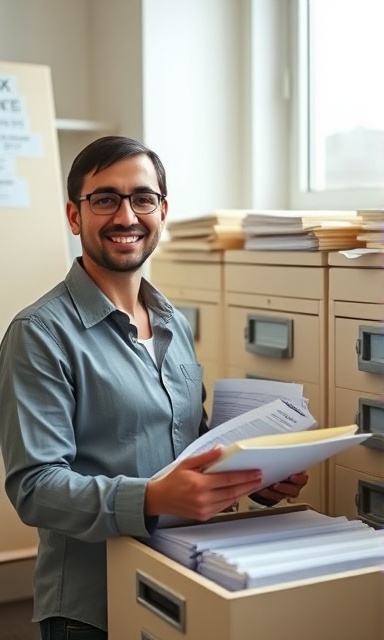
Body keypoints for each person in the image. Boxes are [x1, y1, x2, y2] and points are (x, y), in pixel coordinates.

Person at [0, 136, 308, 639]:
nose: (126, 216)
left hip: (184, 583)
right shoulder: (39, 333)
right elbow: (35, 489)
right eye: (104, 199)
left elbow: (192, 443)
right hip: (92, 607)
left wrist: (256, 480)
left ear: (161, 212)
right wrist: (152, 498)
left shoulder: (171, 322)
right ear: (74, 217)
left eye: (142, 199)